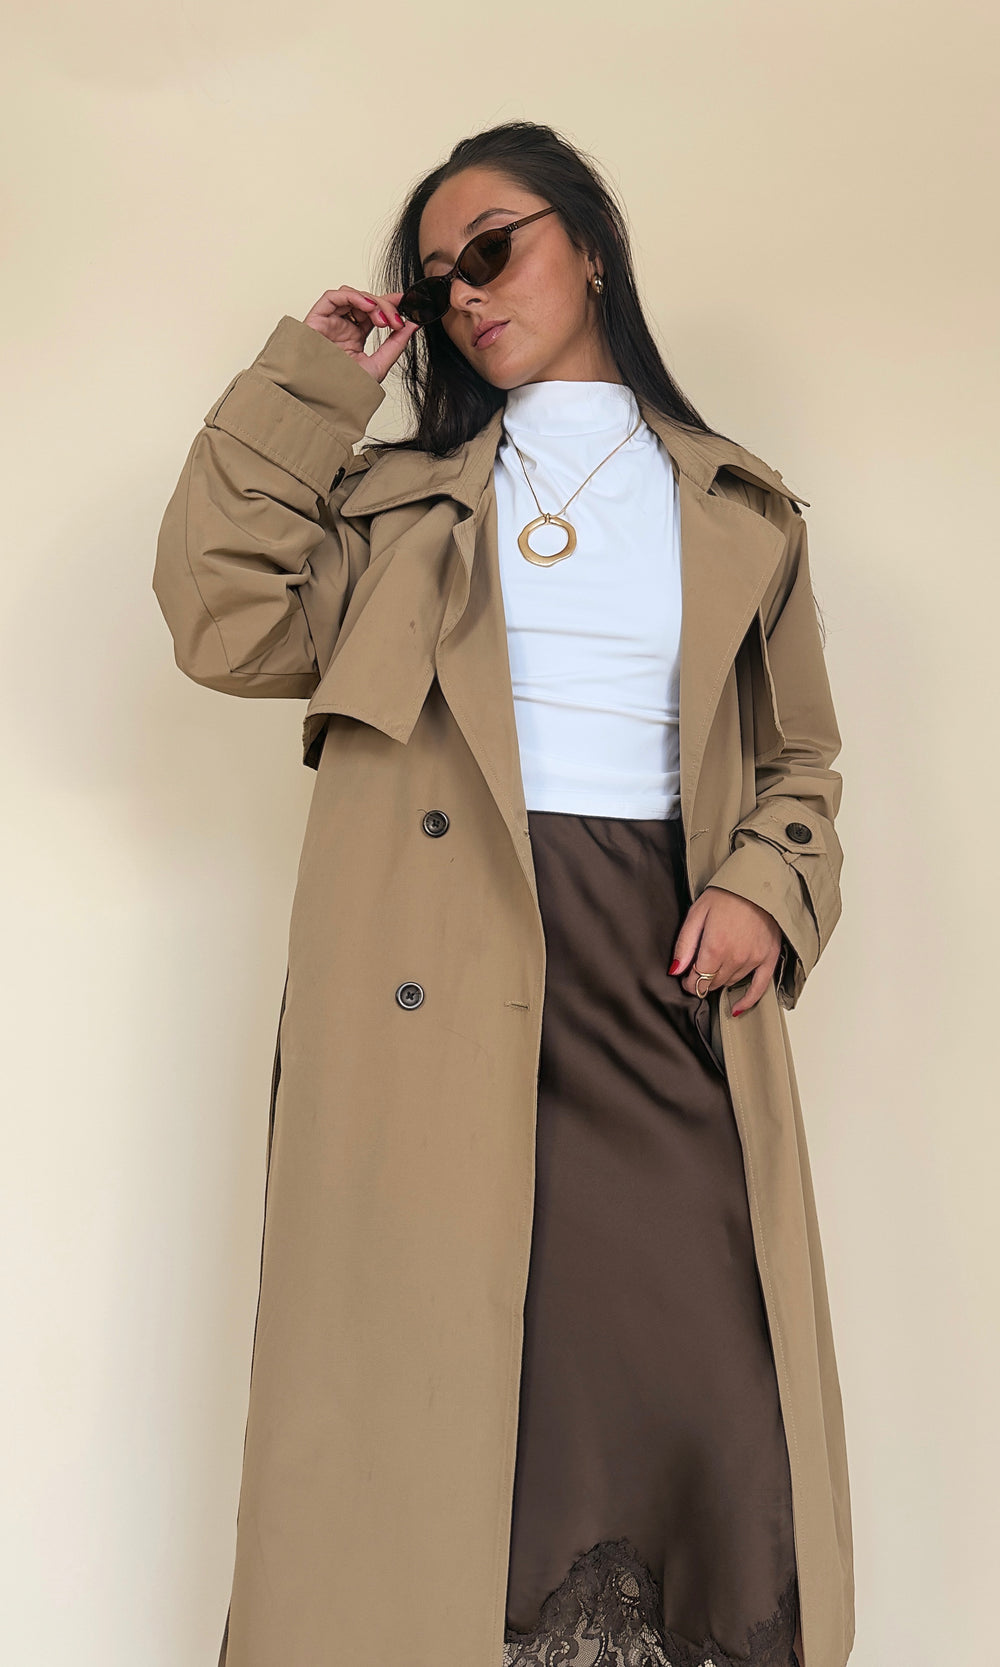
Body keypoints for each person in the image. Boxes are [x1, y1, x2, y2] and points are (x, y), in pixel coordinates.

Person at [153, 120, 854, 1667]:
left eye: (494, 248)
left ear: (589, 246)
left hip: (656, 963)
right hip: (432, 948)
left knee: (701, 1381)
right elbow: (222, 620)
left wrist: (764, 885)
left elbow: (801, 759)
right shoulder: (391, 506)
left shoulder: (740, 509)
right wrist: (312, 387)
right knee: (446, 1394)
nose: (468, 292)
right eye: (438, 279)